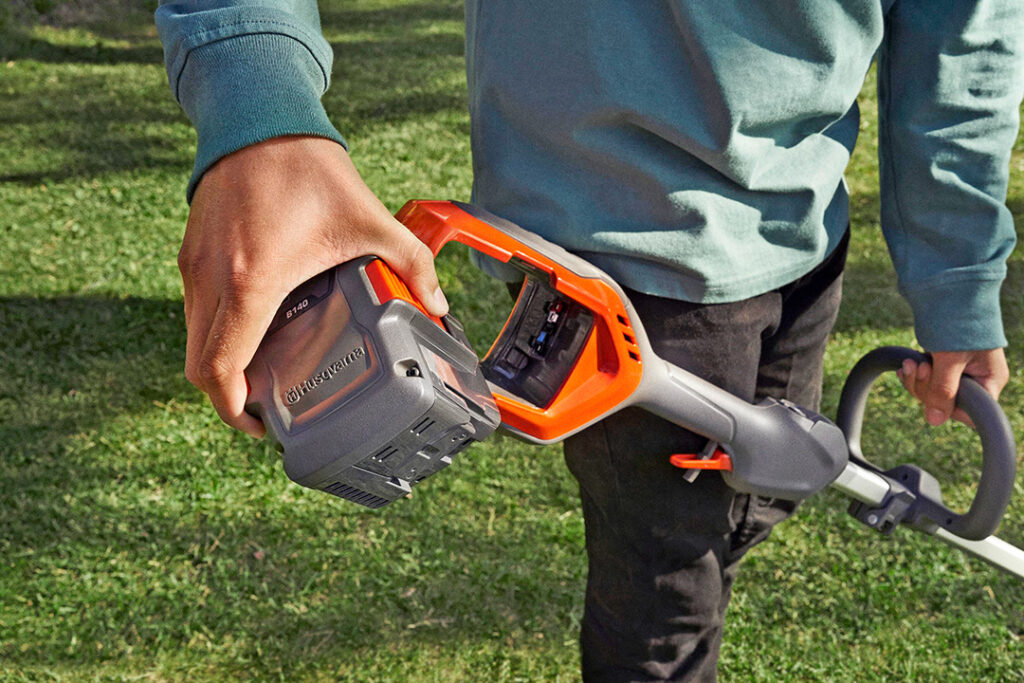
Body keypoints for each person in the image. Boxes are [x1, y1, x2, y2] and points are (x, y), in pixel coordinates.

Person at [155, 1, 1022, 680]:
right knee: (663, 600)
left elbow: (964, 38)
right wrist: (255, 85)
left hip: (801, 228)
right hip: (620, 256)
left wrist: (958, 288)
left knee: (749, 506)